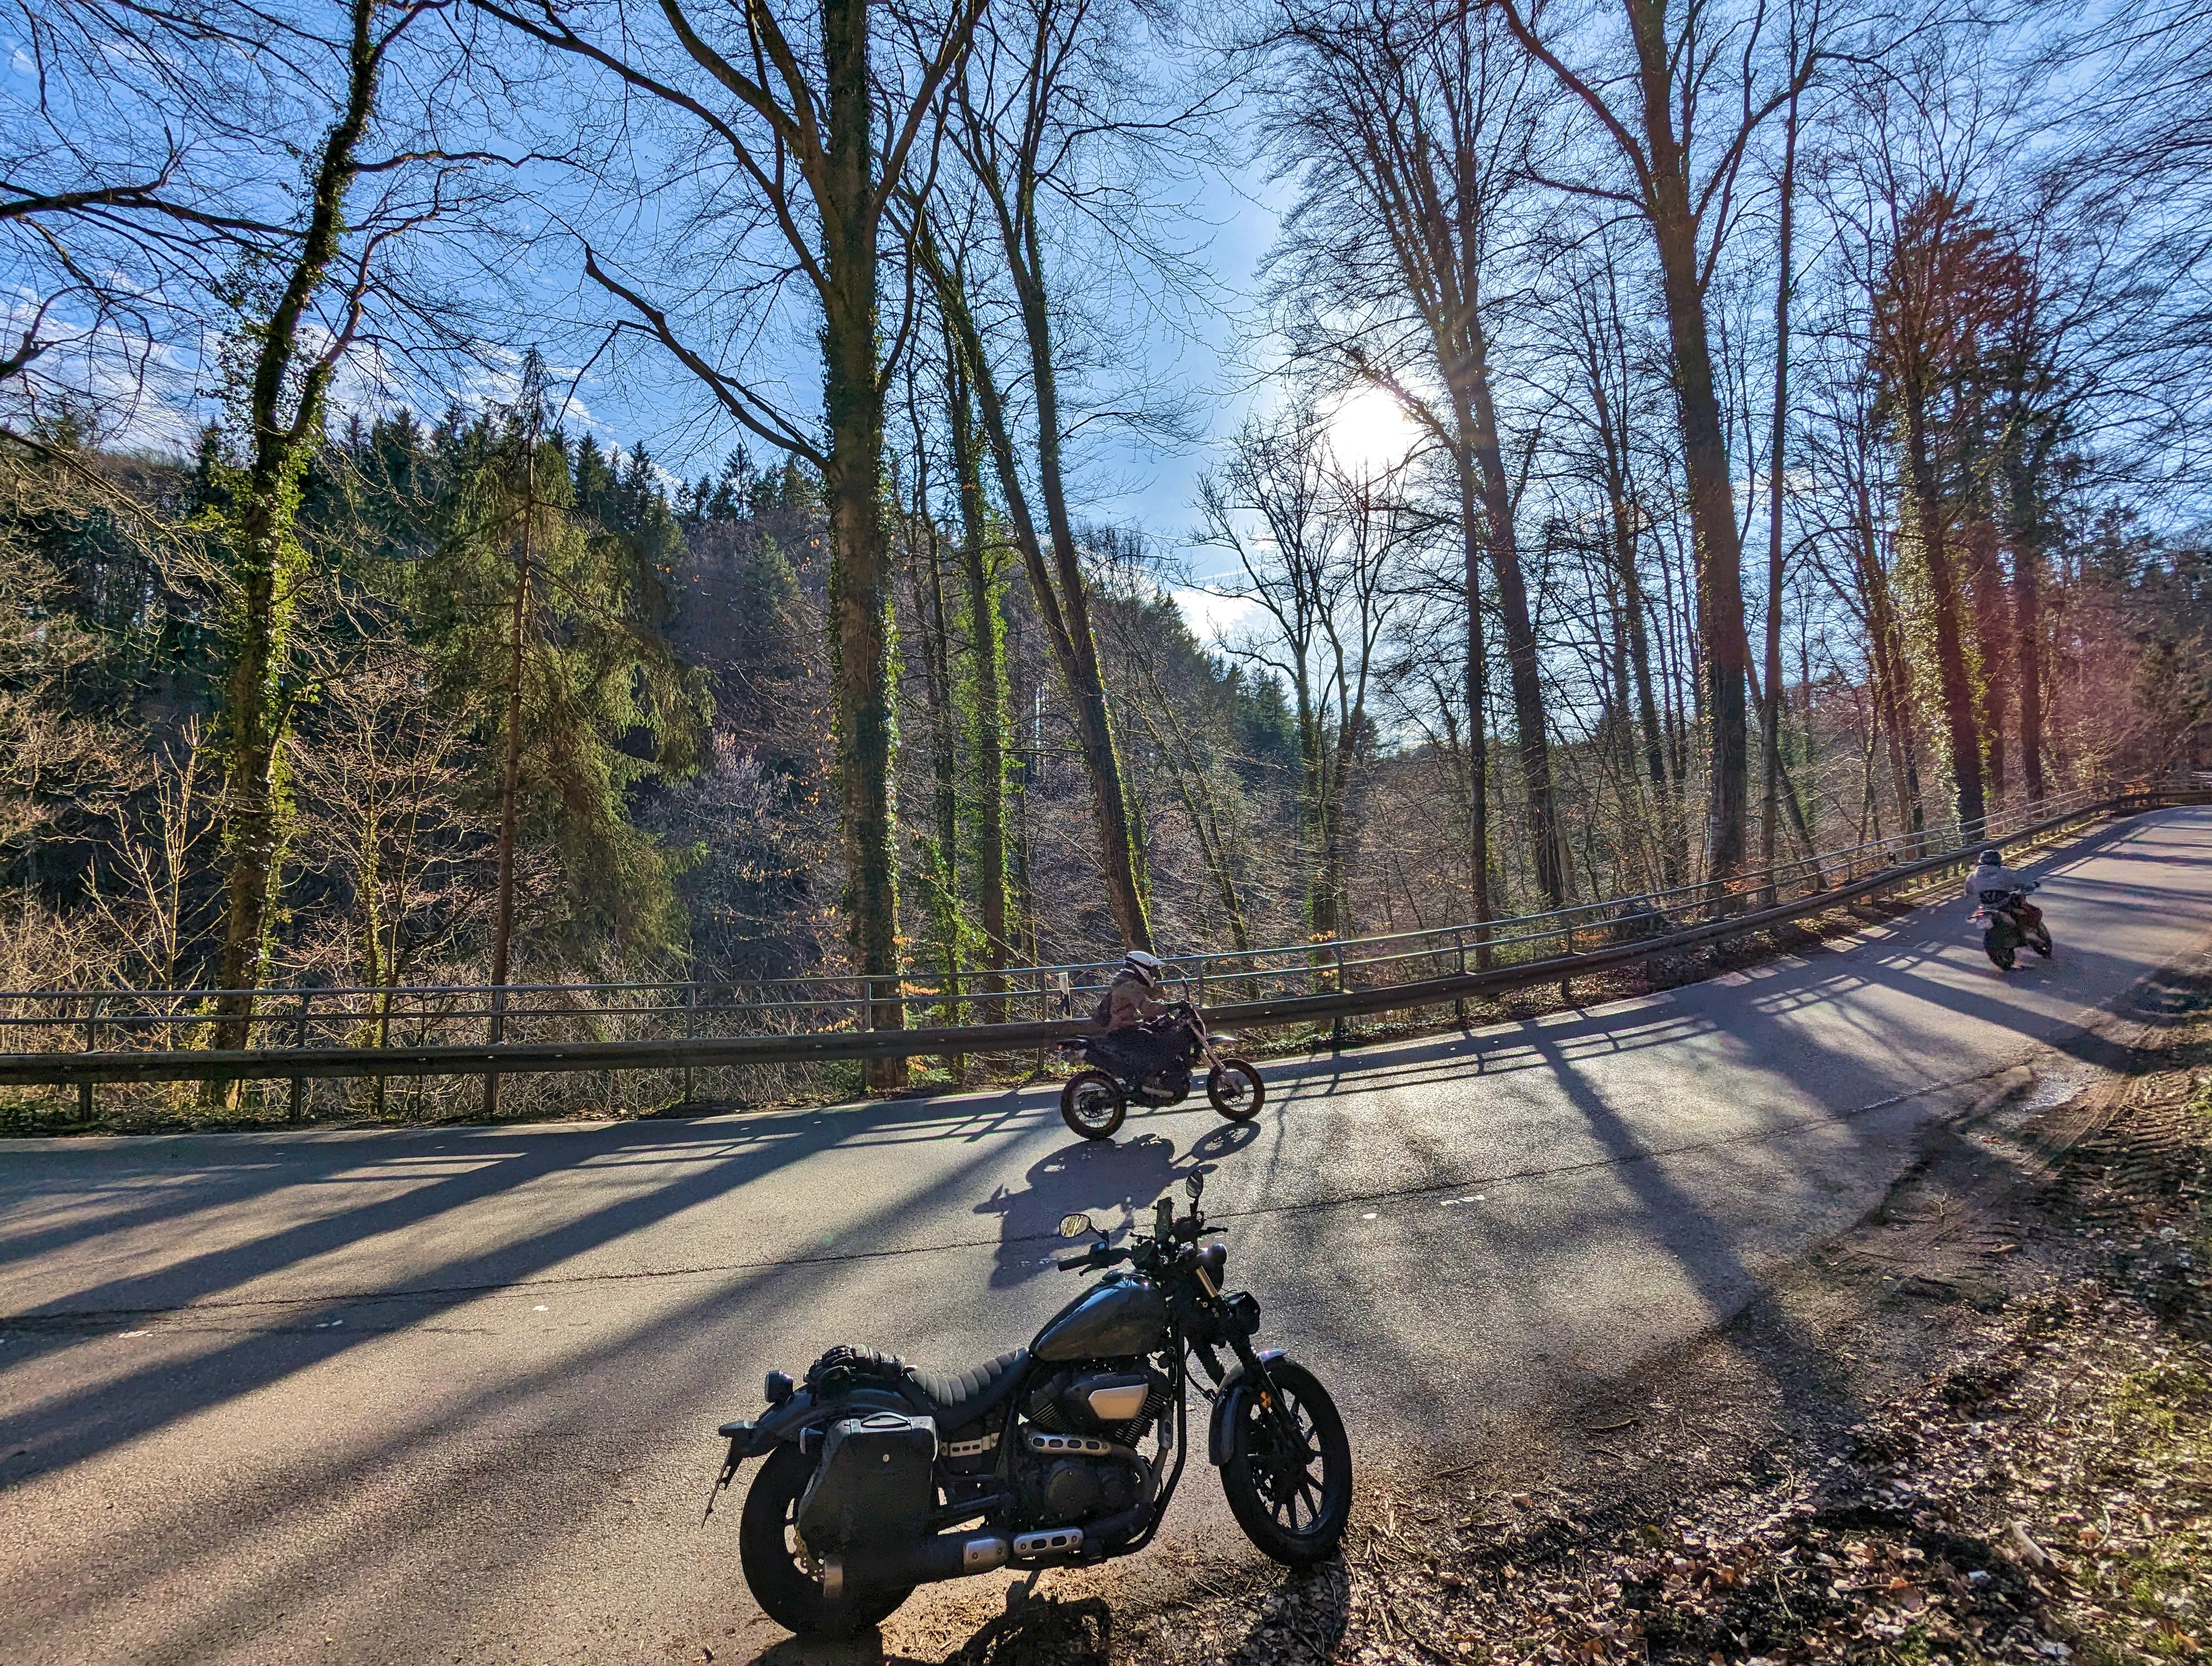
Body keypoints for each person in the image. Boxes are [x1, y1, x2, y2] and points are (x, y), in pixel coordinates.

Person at [1096, 950, 1184, 1088]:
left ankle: (1148, 1080)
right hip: (1124, 1032)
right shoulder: (1130, 986)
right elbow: (1147, 1008)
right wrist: (1171, 1006)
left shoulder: (1123, 984)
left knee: (1154, 1035)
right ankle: (1149, 1083)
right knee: (1161, 1044)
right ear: (1141, 968)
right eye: (1151, 970)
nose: (1154, 974)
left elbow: (1138, 1011)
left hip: (1122, 1030)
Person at [1964, 848, 2043, 930]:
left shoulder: (1972, 876)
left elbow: (1968, 893)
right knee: (2032, 913)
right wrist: (2032, 885)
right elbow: (2020, 883)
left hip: (1985, 907)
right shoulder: (2005, 872)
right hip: (2005, 905)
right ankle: (2029, 932)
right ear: (1998, 861)